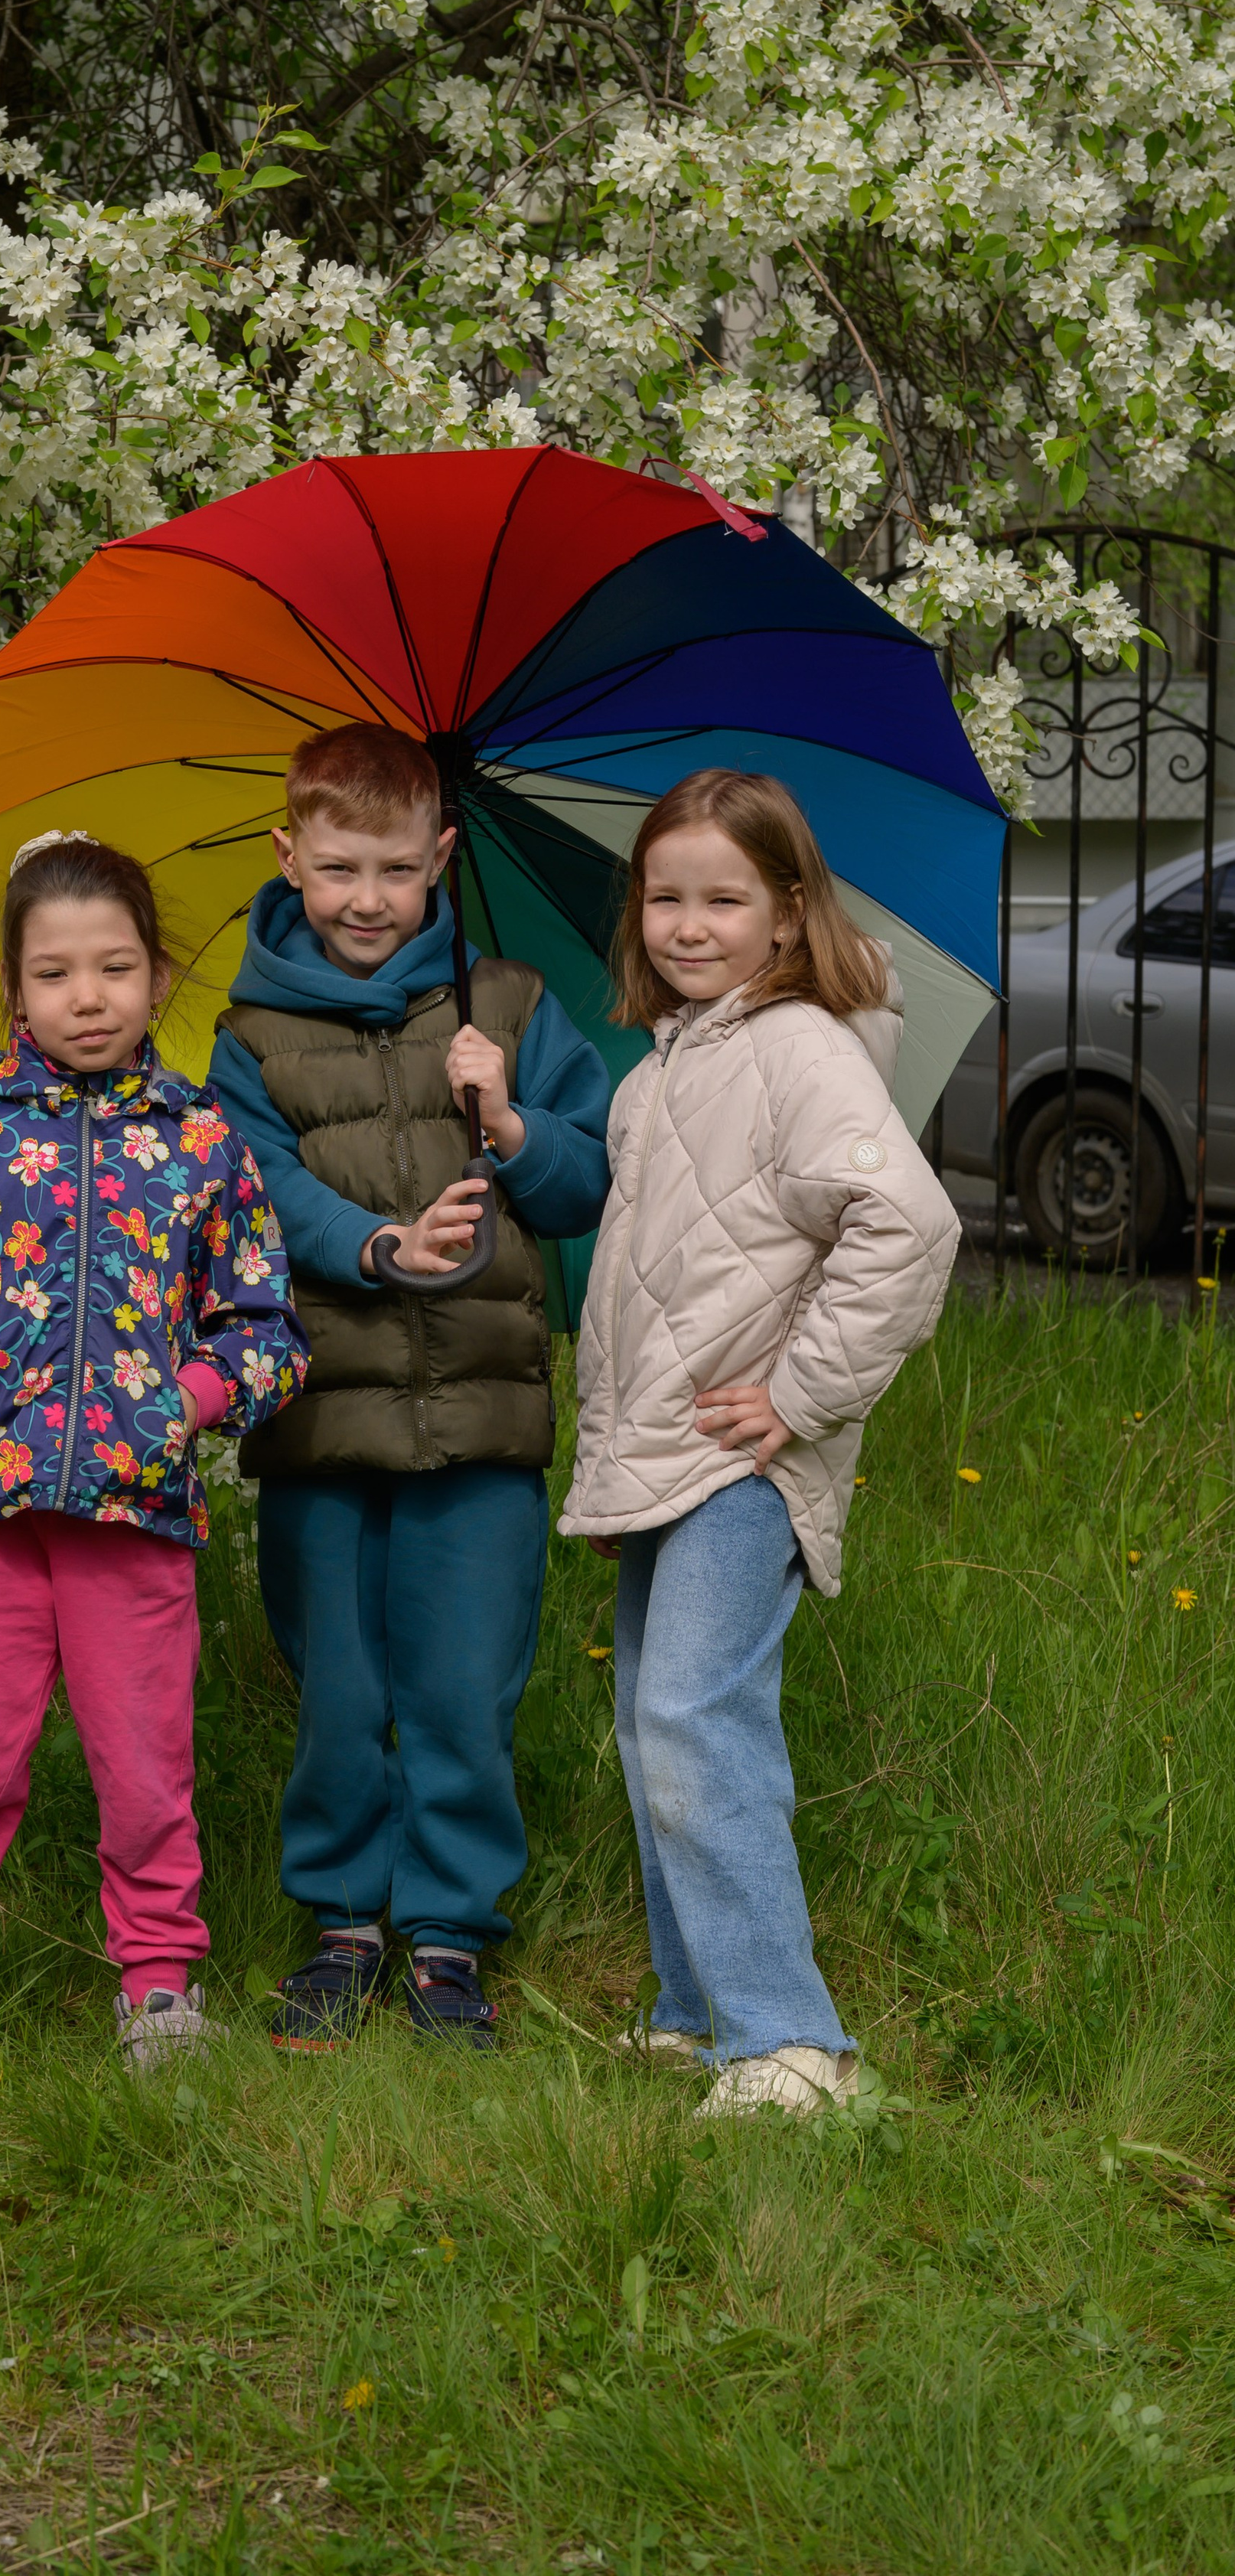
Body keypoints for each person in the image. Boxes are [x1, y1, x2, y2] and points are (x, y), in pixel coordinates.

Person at [0, 830, 307, 2073]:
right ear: (14, 985)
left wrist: (183, 1404)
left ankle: (158, 1989)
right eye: (54, 974)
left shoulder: (201, 1140)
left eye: (116, 967)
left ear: (158, 977)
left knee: (147, 1773)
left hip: (135, 1524)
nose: (87, 997)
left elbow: (263, 1327)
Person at [562, 767, 959, 2116]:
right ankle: (697, 2009)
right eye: (664, 896)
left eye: (723, 898)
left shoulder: (797, 1051)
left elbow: (909, 1225)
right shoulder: (662, 1070)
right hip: (665, 1450)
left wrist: (798, 1395)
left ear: (787, 914)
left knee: (692, 1713)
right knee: (646, 1718)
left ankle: (789, 2041)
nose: (687, 923)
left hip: (745, 1457)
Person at [207, 723, 610, 2050]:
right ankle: (339, 1926)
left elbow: (586, 1181)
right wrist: (379, 1248)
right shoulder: (249, 1033)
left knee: (460, 1682)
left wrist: (511, 1124)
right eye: (337, 870)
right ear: (290, 857)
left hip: (482, 1417)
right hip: (319, 1408)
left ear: (441, 856)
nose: (368, 901)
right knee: (338, 1682)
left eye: (394, 868)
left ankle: (447, 1935)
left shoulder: (510, 1009)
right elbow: (249, 1193)